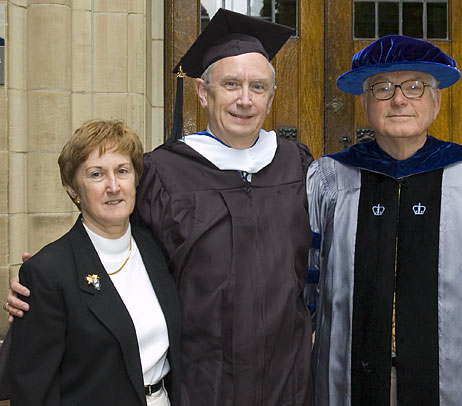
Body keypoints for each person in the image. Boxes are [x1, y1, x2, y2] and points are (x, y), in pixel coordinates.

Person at [6, 9, 313, 406]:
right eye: (231, 84)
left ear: (271, 97)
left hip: (286, 379)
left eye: (258, 87)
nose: (244, 99)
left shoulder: (297, 164)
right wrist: (42, 288)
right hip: (200, 379)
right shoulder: (162, 172)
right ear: (203, 92)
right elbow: (108, 243)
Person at [306, 35, 462, 405]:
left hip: (458, 386)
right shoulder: (330, 180)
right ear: (365, 102)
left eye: (415, 87)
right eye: (383, 87)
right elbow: (305, 294)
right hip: (345, 386)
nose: (399, 99)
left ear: (435, 102)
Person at [6, 119, 182, 405]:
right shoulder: (48, 273)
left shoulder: (156, 248)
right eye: (96, 174)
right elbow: (32, 388)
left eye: (122, 171)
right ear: (73, 189)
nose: (113, 186)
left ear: (135, 179)